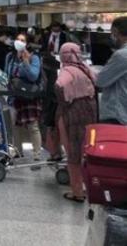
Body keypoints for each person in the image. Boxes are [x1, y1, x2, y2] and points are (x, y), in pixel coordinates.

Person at [54, 43, 97, 202]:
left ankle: (77, 192)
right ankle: (89, 187)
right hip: (90, 111)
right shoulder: (85, 68)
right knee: (87, 150)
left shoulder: (67, 70)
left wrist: (64, 101)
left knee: (73, 152)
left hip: (73, 113)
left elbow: (59, 85)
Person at [5, 33, 44, 165]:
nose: (19, 42)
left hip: (28, 95)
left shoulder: (34, 57)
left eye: (22, 40)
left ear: (27, 43)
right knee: (14, 124)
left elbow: (34, 76)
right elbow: (7, 74)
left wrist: (26, 62)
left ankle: (37, 154)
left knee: (33, 125)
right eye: (17, 39)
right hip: (14, 95)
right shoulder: (10, 56)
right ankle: (17, 150)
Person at [96, 16, 127, 125]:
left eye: (112, 33)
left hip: (118, 114)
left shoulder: (122, 55)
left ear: (116, 31)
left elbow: (100, 81)